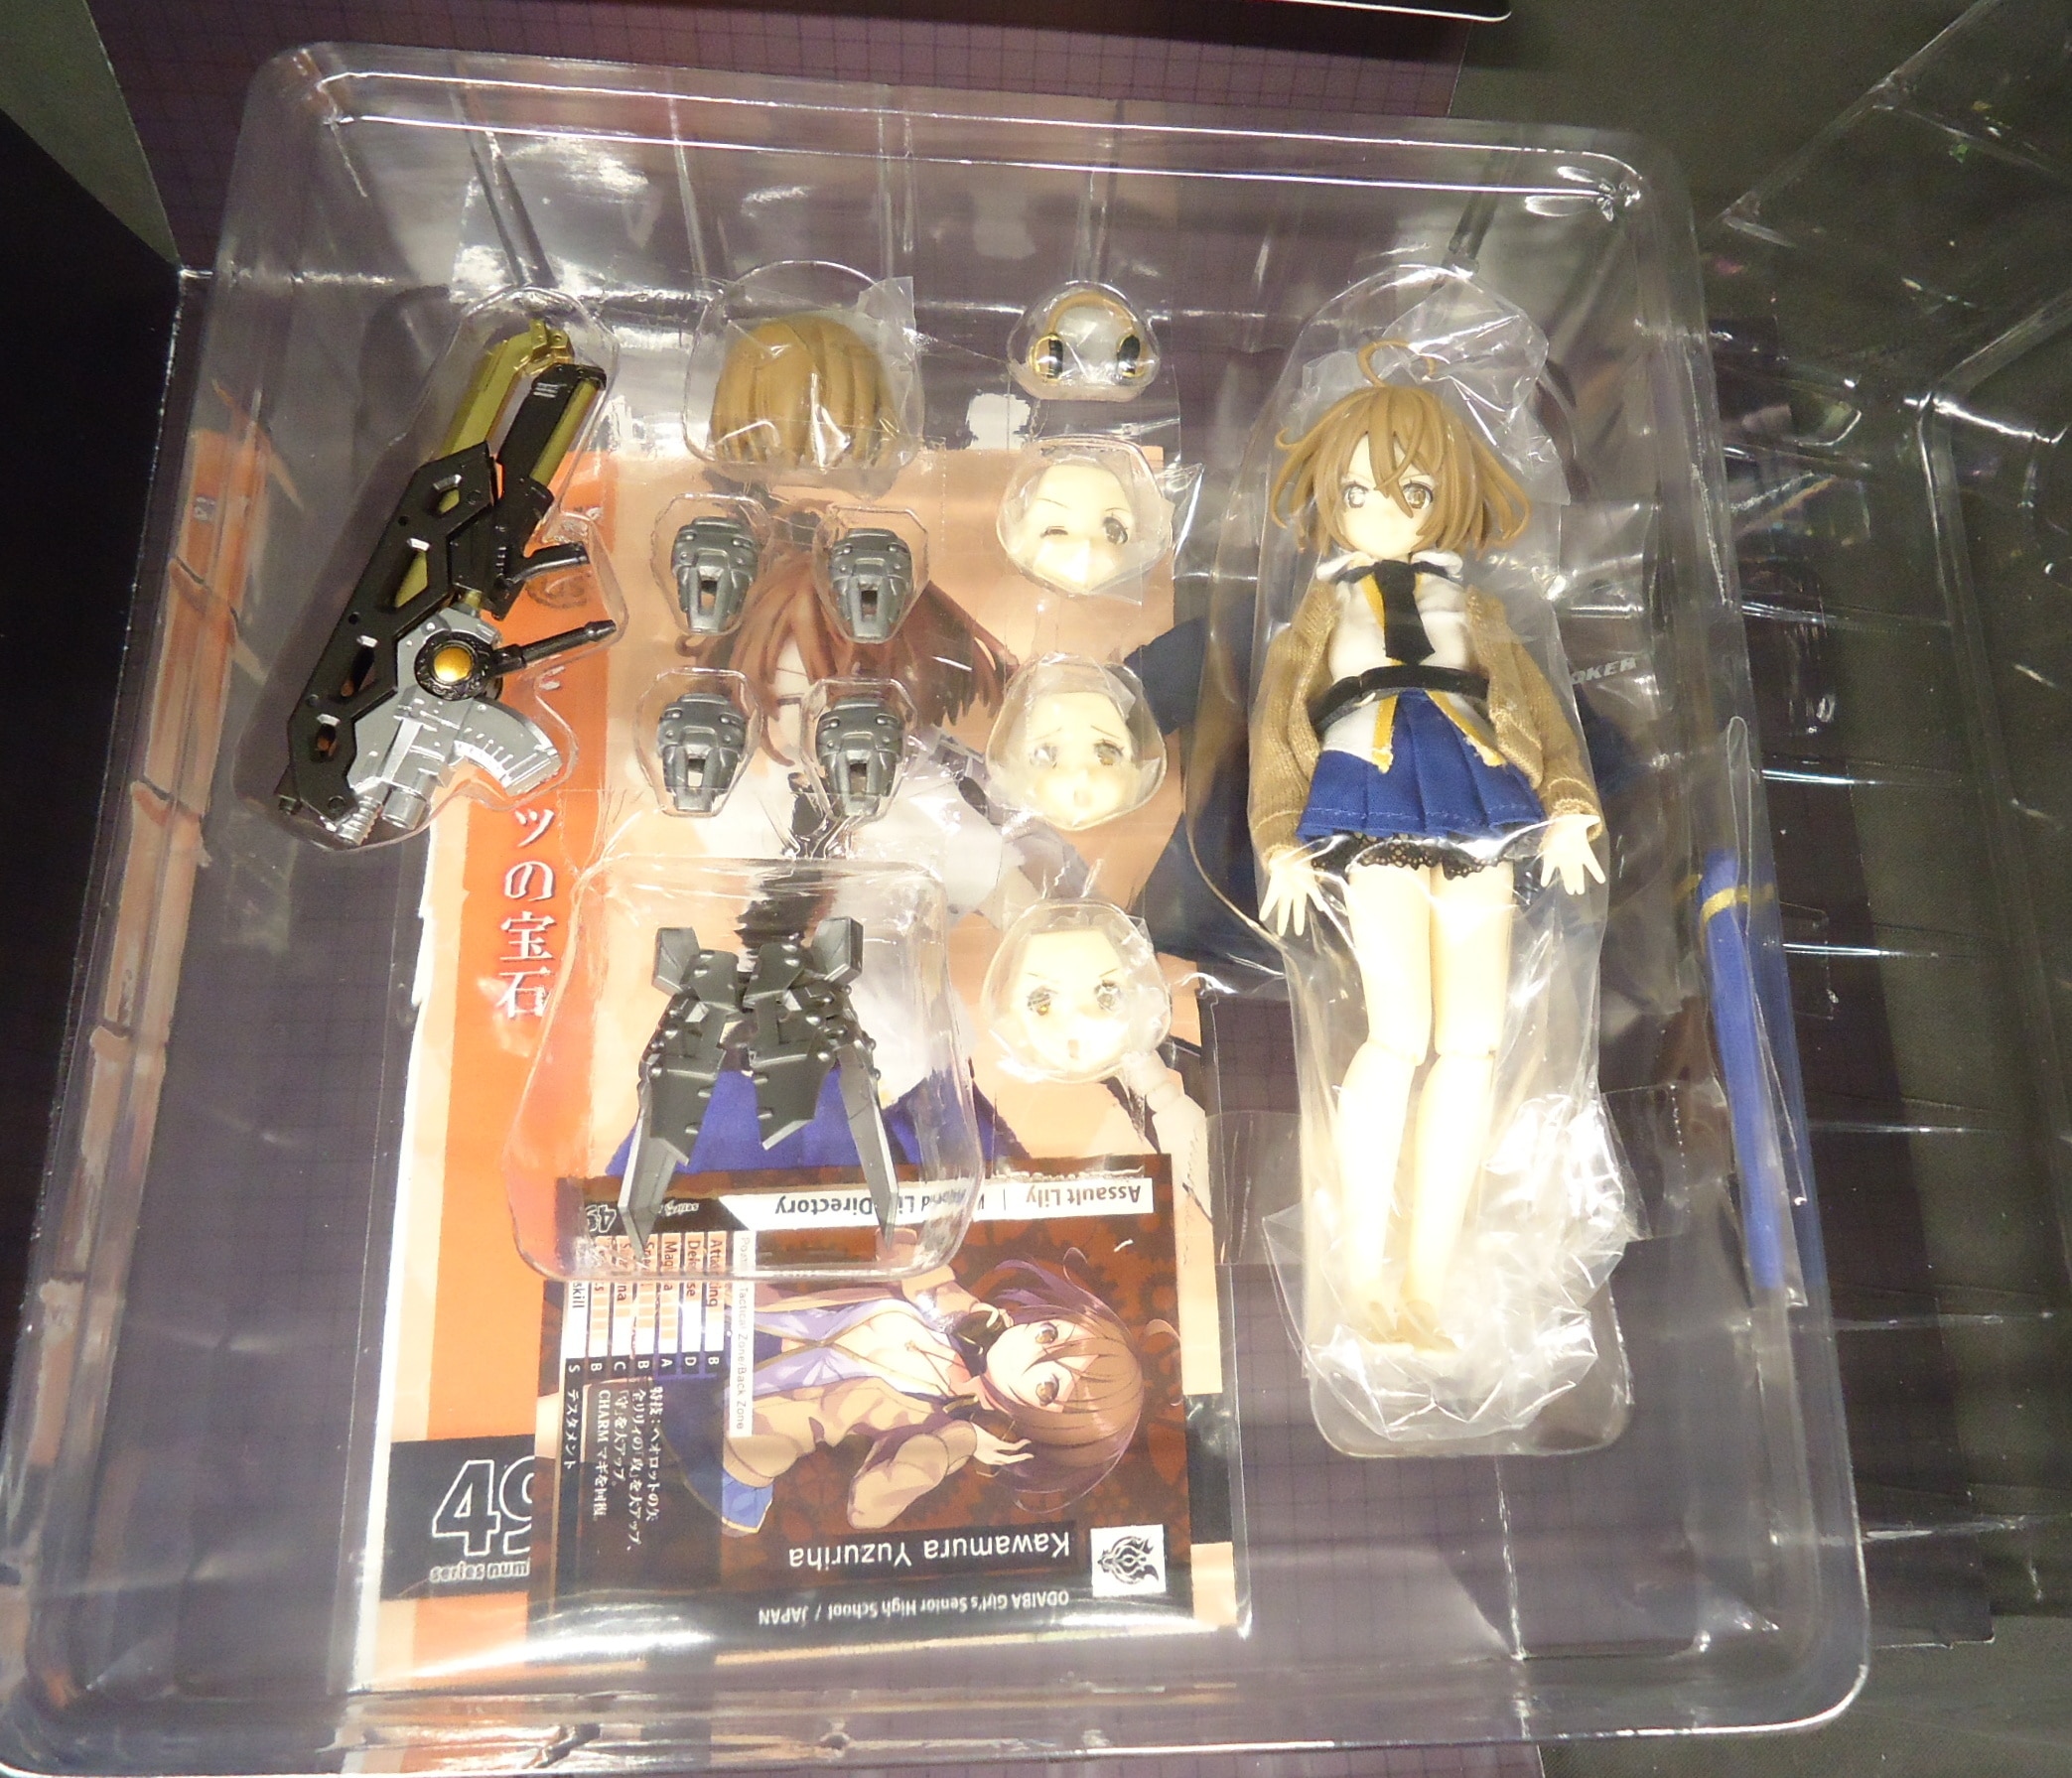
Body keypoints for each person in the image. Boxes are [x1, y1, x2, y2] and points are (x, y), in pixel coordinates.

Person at [1248, 348, 1603, 1344]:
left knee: (1473, 1044)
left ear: (1450, 494)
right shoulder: (1316, 614)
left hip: (1479, 801)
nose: (1382, 513)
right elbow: (1276, 728)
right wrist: (1278, 841)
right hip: (1368, 800)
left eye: (1411, 491)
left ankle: (1426, 1285)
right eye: (1355, 492)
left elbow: (1538, 710)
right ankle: (1362, 1270)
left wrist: (1568, 804)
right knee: (1396, 1035)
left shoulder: (1478, 610)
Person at [715, 1245, 1170, 1533]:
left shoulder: (938, 1427)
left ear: (1040, 1424)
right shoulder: (961, 1315)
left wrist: (959, 1442)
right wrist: (948, 1300)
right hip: (736, 1317)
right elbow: (901, 1247)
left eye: (1049, 1387)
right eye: (1050, 1335)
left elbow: (868, 1507)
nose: (1030, 1353)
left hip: (742, 1422)